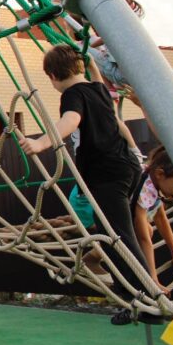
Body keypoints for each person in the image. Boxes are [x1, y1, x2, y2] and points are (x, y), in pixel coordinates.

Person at [19, 43, 158, 326]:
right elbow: (98, 80)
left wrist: (41, 142)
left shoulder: (73, 94)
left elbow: (71, 120)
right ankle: (134, 297)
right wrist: (89, 58)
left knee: (118, 237)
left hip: (107, 174)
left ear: (52, 76)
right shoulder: (98, 89)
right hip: (127, 167)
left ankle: (147, 301)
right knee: (111, 234)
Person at [132, 146, 173, 294]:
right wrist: (153, 280)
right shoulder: (145, 189)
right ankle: (92, 258)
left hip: (120, 220)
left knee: (148, 228)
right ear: (160, 174)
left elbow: (161, 218)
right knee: (147, 231)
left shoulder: (154, 185)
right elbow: (144, 238)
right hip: (104, 217)